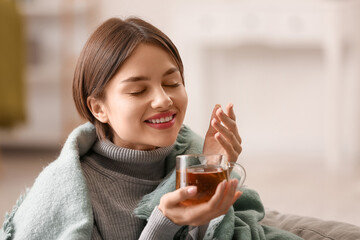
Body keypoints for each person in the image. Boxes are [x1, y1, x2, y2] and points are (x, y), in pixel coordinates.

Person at [0, 17, 303, 240]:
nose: (164, 99)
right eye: (137, 91)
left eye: (173, 83)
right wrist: (164, 221)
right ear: (98, 108)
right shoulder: (70, 194)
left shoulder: (189, 156)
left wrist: (212, 168)